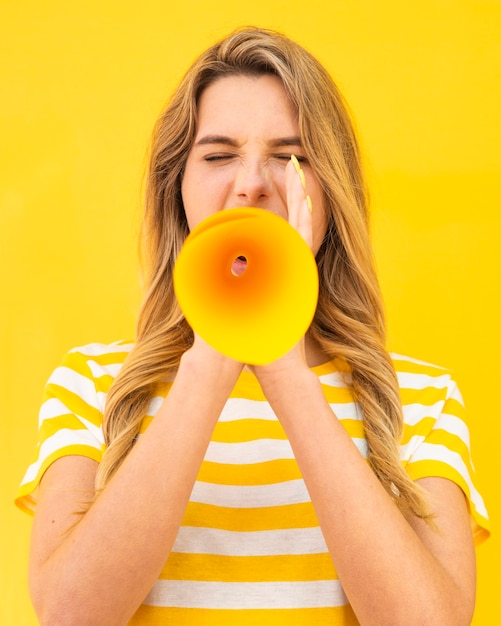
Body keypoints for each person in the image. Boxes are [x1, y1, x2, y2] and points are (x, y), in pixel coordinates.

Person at [16, 27, 489, 625]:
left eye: (292, 157)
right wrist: (217, 349)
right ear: (178, 188)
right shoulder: (91, 385)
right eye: (217, 156)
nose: (251, 184)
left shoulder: (422, 401)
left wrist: (281, 357)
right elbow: (70, 615)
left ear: (329, 191)